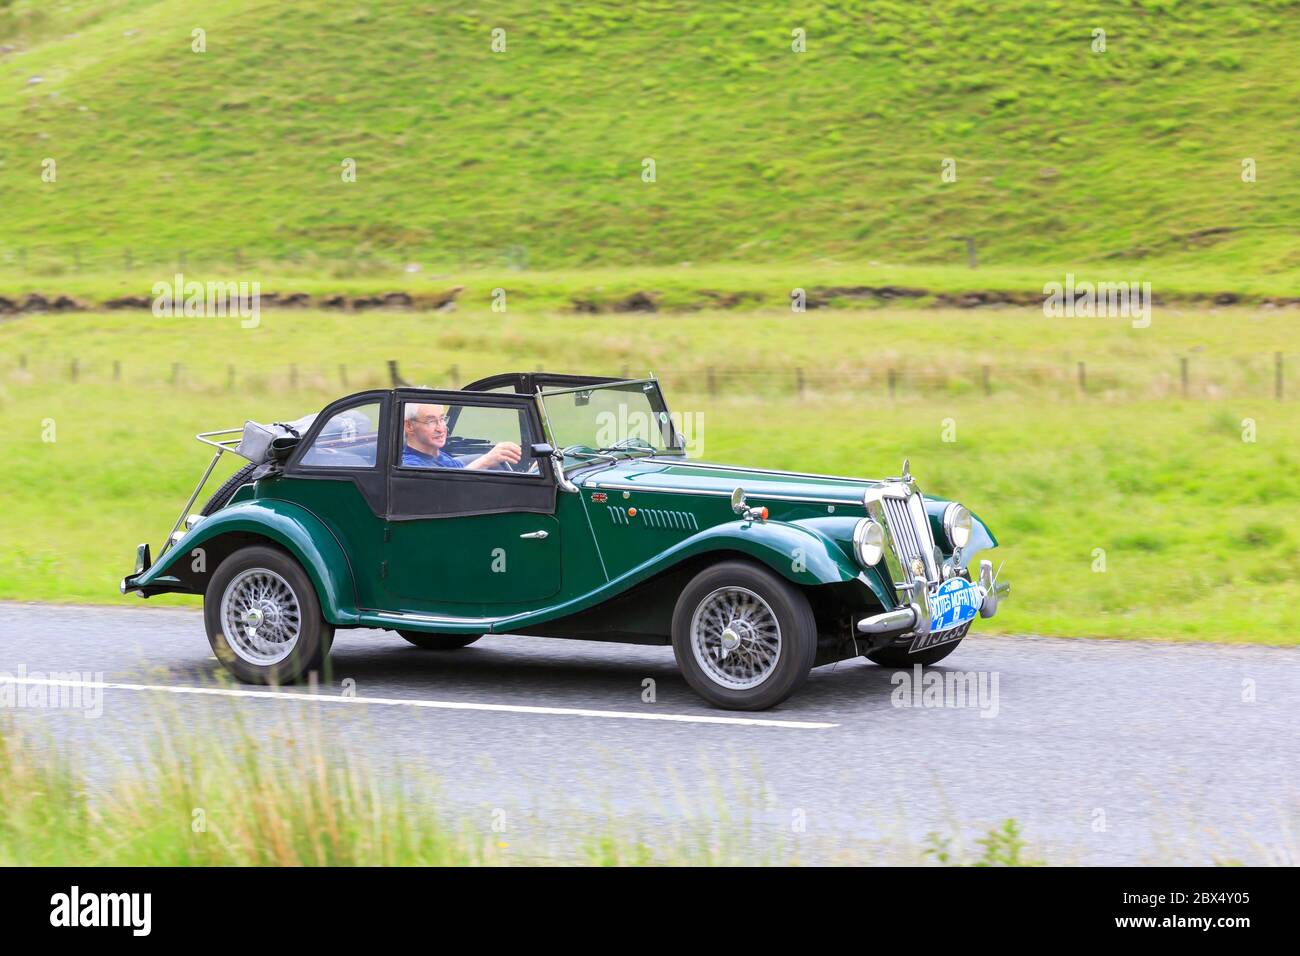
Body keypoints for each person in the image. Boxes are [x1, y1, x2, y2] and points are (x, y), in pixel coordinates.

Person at [402, 403, 522, 470]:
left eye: (442, 419)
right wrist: (486, 460)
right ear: (409, 426)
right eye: (431, 421)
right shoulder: (409, 465)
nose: (440, 428)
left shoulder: (442, 458)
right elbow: (443, 491)